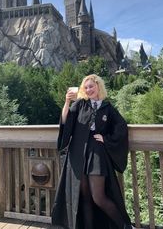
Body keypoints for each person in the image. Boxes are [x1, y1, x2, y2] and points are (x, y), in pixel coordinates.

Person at [51, 74, 133, 229]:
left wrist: (106, 139)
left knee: (99, 197)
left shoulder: (107, 108)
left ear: (98, 87)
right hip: (78, 155)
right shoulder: (80, 104)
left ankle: (125, 226)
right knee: (86, 198)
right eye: (86, 87)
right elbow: (65, 120)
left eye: (91, 86)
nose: (88, 90)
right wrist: (67, 102)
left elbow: (121, 128)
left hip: (97, 156)